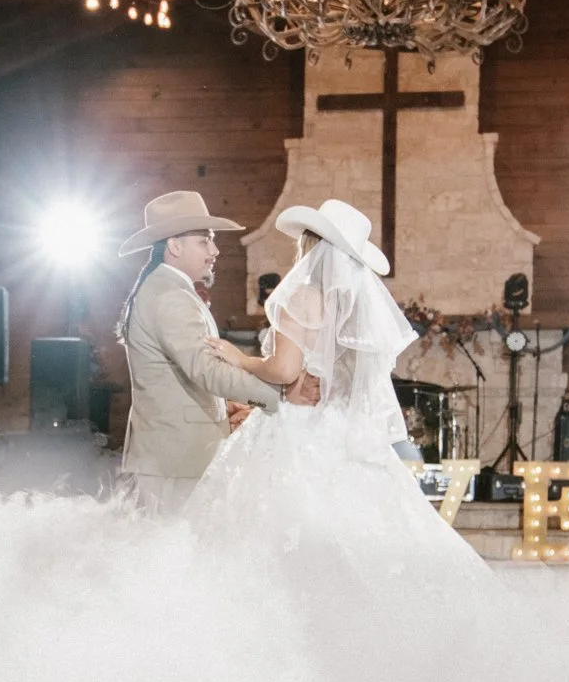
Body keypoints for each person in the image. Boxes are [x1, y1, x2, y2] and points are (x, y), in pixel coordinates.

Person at [192, 199, 485, 585]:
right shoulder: (355, 308)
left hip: (299, 429)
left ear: (310, 245)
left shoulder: (301, 296)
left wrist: (238, 358)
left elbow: (284, 369)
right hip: (342, 427)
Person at [113, 191, 284, 514]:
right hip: (177, 459)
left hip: (176, 455)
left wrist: (229, 404)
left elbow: (185, 374)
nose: (215, 251)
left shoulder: (167, 289)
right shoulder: (169, 296)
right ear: (175, 247)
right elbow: (205, 370)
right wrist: (278, 397)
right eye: (205, 241)